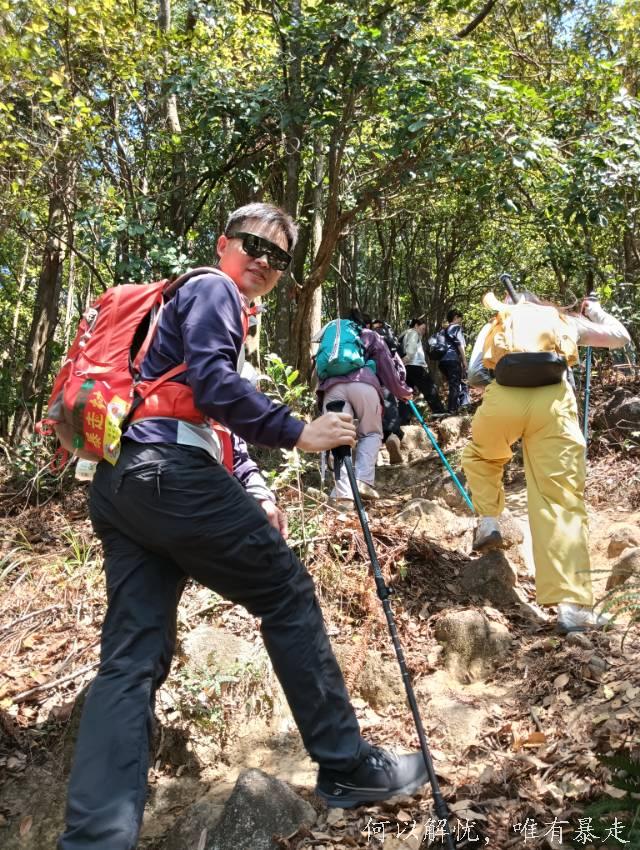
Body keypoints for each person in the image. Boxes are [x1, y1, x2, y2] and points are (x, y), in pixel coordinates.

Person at [58, 204, 428, 850]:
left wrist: (252, 483)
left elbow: (199, 406)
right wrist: (298, 431)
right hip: (168, 474)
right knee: (285, 593)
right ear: (223, 243)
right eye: (253, 245)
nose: (263, 261)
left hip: (121, 484)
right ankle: (346, 765)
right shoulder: (213, 290)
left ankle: (95, 839)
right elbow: (213, 385)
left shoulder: (183, 304)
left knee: (131, 660)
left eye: (278, 256)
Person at [462, 291, 631, 633]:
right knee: (561, 501)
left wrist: (507, 379)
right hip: (554, 406)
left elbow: (474, 374)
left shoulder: (498, 321)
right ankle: (573, 611)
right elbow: (620, 337)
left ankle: (490, 521)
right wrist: (595, 311)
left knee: (482, 456)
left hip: (503, 401)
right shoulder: (561, 320)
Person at [317, 310, 412, 508]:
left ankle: (343, 495)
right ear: (363, 324)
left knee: (338, 438)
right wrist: (402, 391)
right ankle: (362, 480)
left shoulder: (332, 340)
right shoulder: (369, 335)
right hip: (364, 385)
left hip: (332, 389)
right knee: (370, 433)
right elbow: (387, 366)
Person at [398, 317, 446, 424]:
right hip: (414, 366)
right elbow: (410, 352)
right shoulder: (413, 333)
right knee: (430, 388)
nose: (424, 332)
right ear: (416, 326)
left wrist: (401, 365)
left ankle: (403, 420)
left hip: (406, 368)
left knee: (406, 394)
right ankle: (439, 412)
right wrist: (404, 361)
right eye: (423, 328)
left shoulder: (404, 335)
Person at [372, 319, 405, 464]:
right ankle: (393, 438)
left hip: (368, 384)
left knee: (372, 425)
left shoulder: (365, 338)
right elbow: (400, 361)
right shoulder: (388, 339)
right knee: (391, 418)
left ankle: (372, 455)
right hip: (387, 383)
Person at [438, 309, 469, 415]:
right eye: (460, 319)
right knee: (455, 385)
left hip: (442, 362)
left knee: (454, 384)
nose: (460, 321)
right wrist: (464, 361)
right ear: (455, 317)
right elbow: (460, 345)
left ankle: (457, 406)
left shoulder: (443, 330)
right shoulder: (456, 328)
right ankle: (452, 410)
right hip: (452, 359)